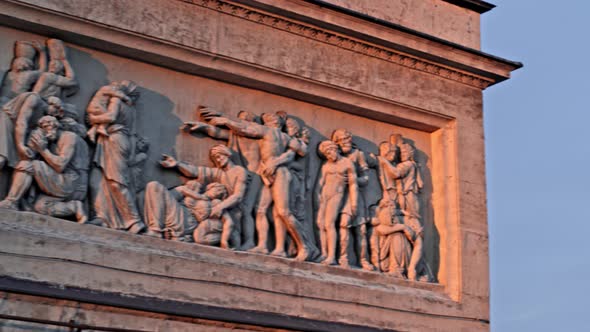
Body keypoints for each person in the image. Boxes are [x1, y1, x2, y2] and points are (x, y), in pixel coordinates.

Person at [204, 111, 319, 261]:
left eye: (266, 120)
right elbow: (299, 151)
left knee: (283, 212)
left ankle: (305, 246)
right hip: (267, 173)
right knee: (261, 209)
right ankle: (266, 246)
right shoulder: (286, 137)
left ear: (273, 123)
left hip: (280, 173)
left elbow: (245, 129)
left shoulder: (269, 131)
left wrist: (226, 121)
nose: (263, 123)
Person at [182, 108, 261, 250]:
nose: (218, 160)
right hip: (225, 207)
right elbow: (218, 133)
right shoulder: (235, 140)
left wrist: (224, 119)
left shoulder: (261, 137)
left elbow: (238, 196)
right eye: (240, 120)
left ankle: (248, 241)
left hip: (255, 179)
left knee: (250, 210)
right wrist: (204, 127)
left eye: (245, 120)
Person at [0, 116, 89, 223]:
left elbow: (60, 165)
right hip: (69, 187)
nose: (45, 131)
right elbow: (33, 155)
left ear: (55, 125)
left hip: (72, 182)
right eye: (42, 128)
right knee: (40, 207)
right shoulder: (53, 141)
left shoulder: (69, 136)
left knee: (28, 165)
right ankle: (74, 207)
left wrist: (43, 150)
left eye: (46, 126)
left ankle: (11, 201)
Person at [159, 144, 248, 247]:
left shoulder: (239, 171)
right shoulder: (218, 172)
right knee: (199, 234)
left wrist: (220, 206)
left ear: (227, 154)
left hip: (230, 213)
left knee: (227, 229)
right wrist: (177, 164)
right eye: (215, 159)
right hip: (210, 215)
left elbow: (238, 196)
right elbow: (196, 171)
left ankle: (227, 239)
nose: (218, 160)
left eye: (219, 156)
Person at [88, 81, 145, 234]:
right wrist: (131, 153)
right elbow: (132, 136)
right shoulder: (131, 109)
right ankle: (101, 216)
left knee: (116, 182)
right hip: (112, 140)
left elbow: (111, 116)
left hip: (115, 139)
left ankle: (134, 220)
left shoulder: (117, 100)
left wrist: (94, 119)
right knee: (97, 177)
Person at [330, 129, 375, 270]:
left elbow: (366, 178)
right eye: (343, 139)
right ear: (337, 142)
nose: (346, 141)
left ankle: (363, 259)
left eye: (348, 138)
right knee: (342, 225)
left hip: (354, 196)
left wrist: (353, 179)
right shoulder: (333, 155)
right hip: (336, 195)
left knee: (360, 229)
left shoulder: (358, 154)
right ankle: (343, 257)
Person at [315, 140, 359, 265]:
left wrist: (354, 202)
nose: (329, 155)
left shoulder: (347, 163)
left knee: (329, 224)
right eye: (327, 154)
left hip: (337, 195)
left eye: (330, 151)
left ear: (336, 149)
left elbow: (353, 184)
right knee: (320, 223)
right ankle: (324, 253)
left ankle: (332, 256)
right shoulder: (325, 166)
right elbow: (319, 184)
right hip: (324, 196)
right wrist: (317, 200)